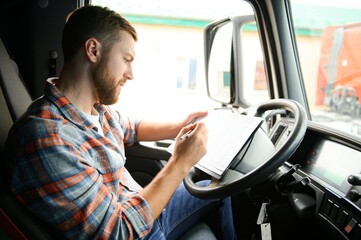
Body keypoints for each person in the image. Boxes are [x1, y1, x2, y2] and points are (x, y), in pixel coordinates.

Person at [4, 5, 237, 240]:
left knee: (218, 188)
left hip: (143, 211)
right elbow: (118, 232)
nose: (131, 73)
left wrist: (181, 124)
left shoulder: (96, 109)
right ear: (93, 50)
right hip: (133, 229)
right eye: (126, 60)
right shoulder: (48, 139)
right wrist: (180, 162)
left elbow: (131, 127)